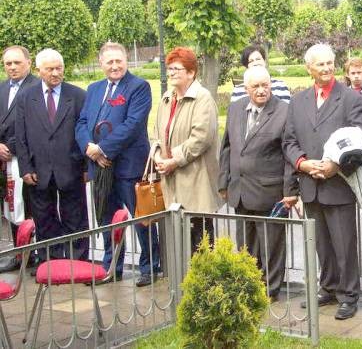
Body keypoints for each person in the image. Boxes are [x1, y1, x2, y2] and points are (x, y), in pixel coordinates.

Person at [282, 43, 362, 321]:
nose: (327, 68)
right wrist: (302, 164)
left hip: (339, 183)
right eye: (320, 64)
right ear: (309, 69)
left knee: (344, 244)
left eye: (330, 63)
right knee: (321, 243)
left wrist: (336, 165)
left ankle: (348, 295)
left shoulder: (349, 98)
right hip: (310, 185)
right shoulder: (297, 102)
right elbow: (289, 141)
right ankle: (328, 288)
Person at [75, 42, 159, 286]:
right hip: (99, 169)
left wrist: (103, 148)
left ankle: (149, 268)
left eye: (118, 61)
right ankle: (112, 268)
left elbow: (132, 125)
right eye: (109, 62)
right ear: (101, 63)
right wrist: (89, 149)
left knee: (140, 219)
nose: (115, 66)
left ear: (126, 61)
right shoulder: (93, 89)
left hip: (128, 168)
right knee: (107, 221)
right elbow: (81, 123)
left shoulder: (138, 87)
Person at [219, 66, 298, 302]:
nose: (262, 91)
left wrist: (290, 191)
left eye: (266, 85)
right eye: (256, 87)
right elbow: (227, 147)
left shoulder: (284, 111)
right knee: (246, 244)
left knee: (272, 246)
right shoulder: (235, 108)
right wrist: (224, 182)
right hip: (240, 191)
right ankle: (249, 285)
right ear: (246, 89)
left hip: (270, 193)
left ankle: (270, 290)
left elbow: (289, 154)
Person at [15, 49, 89, 260]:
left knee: (76, 218)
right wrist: (25, 168)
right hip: (38, 171)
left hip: (71, 169)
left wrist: (85, 168)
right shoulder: (25, 98)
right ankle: (51, 261)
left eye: (59, 68)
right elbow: (21, 137)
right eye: (50, 69)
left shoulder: (77, 96)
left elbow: (84, 133)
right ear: (39, 71)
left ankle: (78, 261)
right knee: (44, 219)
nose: (56, 73)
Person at [152, 47, 221, 253]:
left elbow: (201, 138)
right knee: (178, 241)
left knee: (200, 240)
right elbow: (156, 133)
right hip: (171, 182)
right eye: (169, 68)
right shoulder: (166, 98)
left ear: (191, 72)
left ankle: (203, 284)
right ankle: (181, 281)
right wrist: (157, 157)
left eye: (177, 69)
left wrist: (174, 160)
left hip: (196, 181)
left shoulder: (203, 98)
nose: (171, 73)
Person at [0, 46, 39, 272]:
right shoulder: (2, 88)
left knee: (29, 207)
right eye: (8, 63)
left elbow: (33, 126)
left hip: (26, 159)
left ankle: (35, 254)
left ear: (28, 63)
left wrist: (10, 147)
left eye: (17, 62)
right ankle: (18, 254)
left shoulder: (36, 87)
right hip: (3, 162)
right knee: (10, 207)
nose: (12, 67)